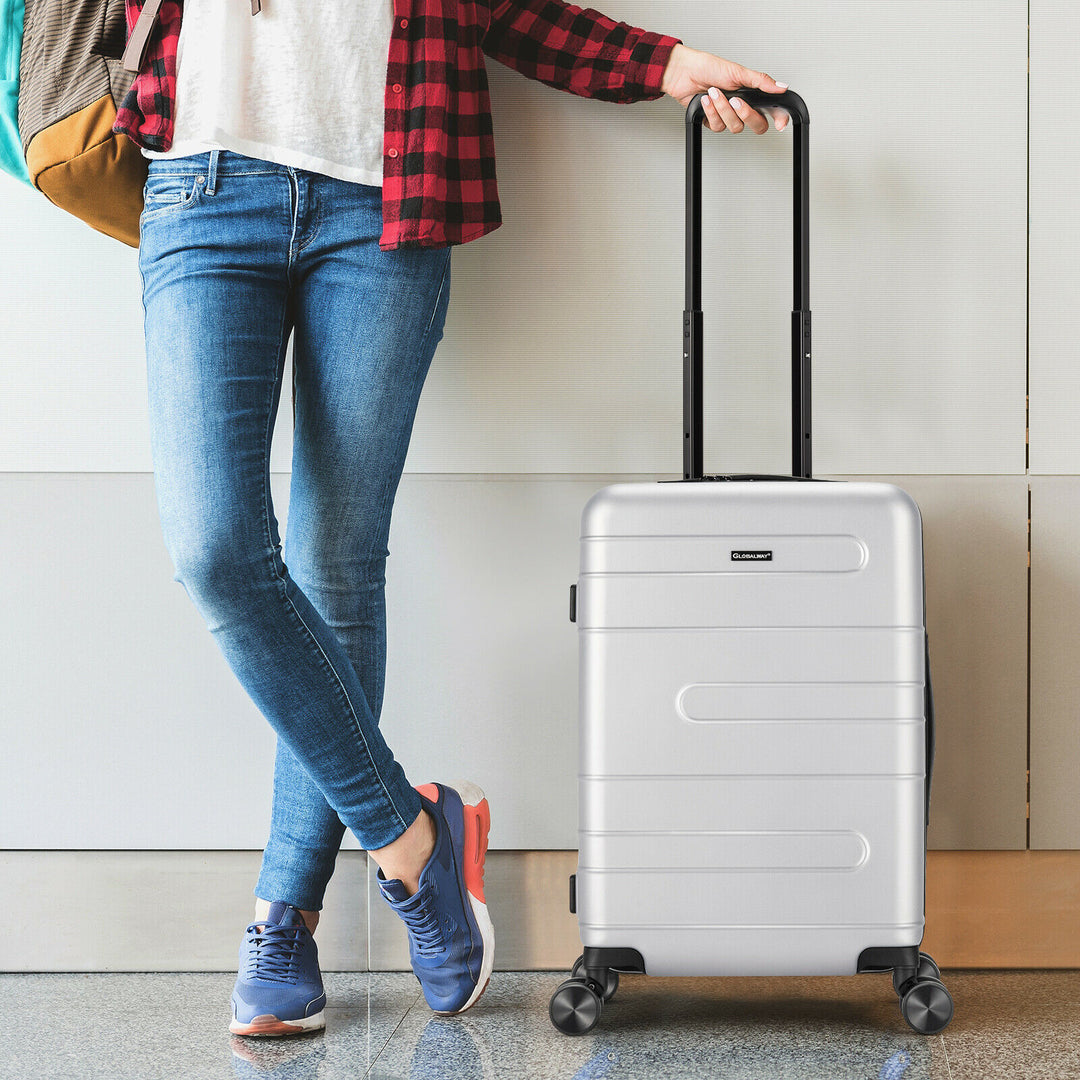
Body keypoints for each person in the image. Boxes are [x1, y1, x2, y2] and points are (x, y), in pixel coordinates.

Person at [116, 0, 789, 1037]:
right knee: (216, 553)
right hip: (202, 186)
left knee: (338, 565)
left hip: (384, 203)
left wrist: (670, 67)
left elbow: (511, 10)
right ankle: (411, 838)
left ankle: (282, 918)